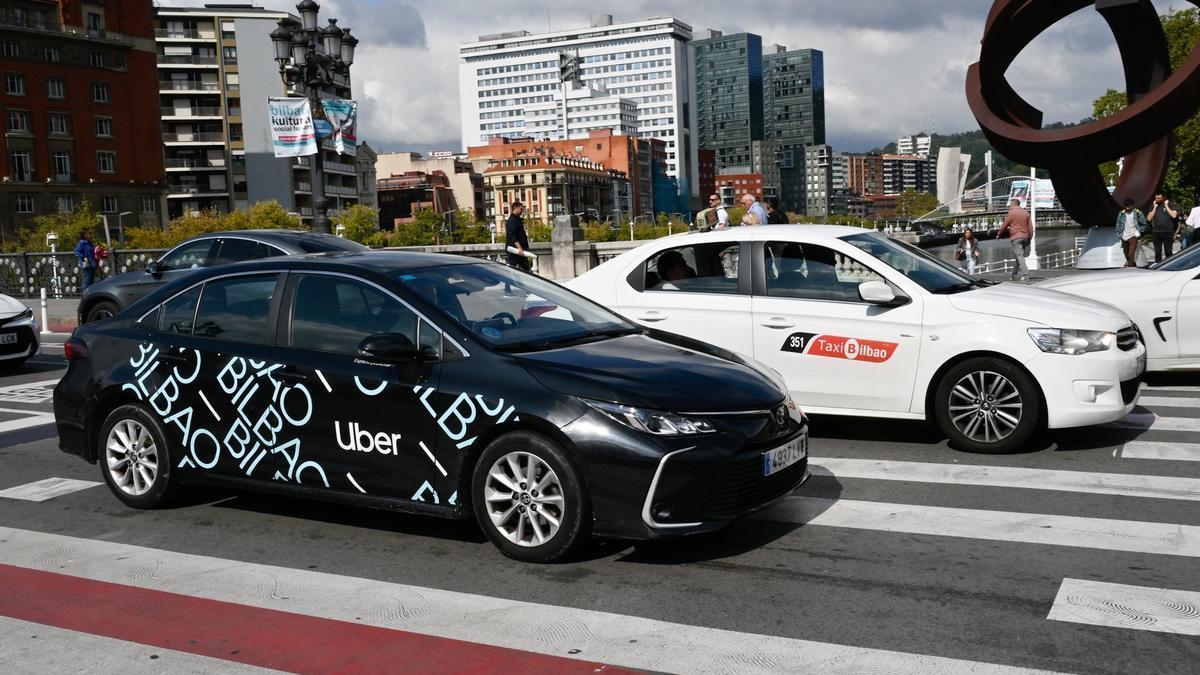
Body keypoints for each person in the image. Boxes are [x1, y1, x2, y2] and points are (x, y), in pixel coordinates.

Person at [996, 199, 1032, 281]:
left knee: (1019, 256)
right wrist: (1029, 238)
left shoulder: (1011, 213)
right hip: (1025, 236)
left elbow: (1005, 225)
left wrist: (999, 234)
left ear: (1013, 204)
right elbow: (1030, 228)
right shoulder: (1026, 213)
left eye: (1010, 205)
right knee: (1018, 256)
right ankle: (1013, 274)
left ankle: (1026, 275)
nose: (1009, 207)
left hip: (1016, 237)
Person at [1147, 191, 1180, 263]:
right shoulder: (1154, 205)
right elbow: (1149, 218)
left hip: (1168, 232)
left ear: (1164, 198)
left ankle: (1169, 266)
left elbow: (1174, 216)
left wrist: (1167, 206)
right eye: (1155, 198)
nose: (1156, 199)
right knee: (1157, 252)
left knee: (1168, 252)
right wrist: (1154, 208)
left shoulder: (1171, 204)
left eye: (1158, 198)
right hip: (1156, 232)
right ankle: (1158, 266)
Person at [1114, 198, 1148, 268]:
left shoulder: (1138, 213)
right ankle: (1133, 264)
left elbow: (1144, 224)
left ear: (1132, 205)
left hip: (1133, 236)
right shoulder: (1121, 213)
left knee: (1131, 254)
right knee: (1126, 255)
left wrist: (1138, 232)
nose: (1127, 207)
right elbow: (1118, 224)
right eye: (1126, 205)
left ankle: (1130, 269)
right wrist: (1120, 235)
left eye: (1129, 206)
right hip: (1124, 236)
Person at [504, 201, 530, 271]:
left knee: (524, 270)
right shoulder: (512, 220)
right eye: (521, 209)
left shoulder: (516, 220)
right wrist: (520, 248)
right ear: (515, 208)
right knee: (514, 270)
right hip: (515, 251)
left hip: (517, 250)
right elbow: (513, 236)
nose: (522, 211)